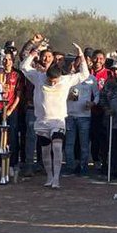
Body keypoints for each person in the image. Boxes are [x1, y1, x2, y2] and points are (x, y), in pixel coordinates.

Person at [20, 34, 90, 189]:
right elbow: (23, 67)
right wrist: (34, 52)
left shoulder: (65, 80)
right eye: (50, 81)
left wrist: (81, 55)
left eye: (54, 81)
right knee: (45, 151)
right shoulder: (38, 77)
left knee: (57, 148)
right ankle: (49, 177)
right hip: (42, 121)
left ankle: (57, 178)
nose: (52, 83)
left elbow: (85, 74)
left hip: (58, 121)